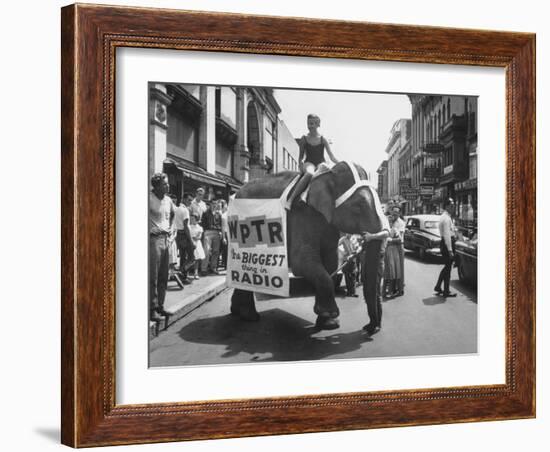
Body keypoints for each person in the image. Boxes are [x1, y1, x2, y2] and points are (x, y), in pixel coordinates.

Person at [286, 113, 339, 207]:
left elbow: (332, 157)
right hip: (309, 162)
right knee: (310, 173)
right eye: (309, 123)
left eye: (313, 123)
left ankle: (305, 194)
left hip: (320, 163)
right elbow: (301, 156)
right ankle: (290, 200)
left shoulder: (323, 139)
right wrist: (300, 165)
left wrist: (341, 163)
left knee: (324, 170)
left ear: (318, 124)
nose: (310, 126)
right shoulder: (304, 139)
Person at [149, 173, 175, 321]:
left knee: (164, 276)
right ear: (156, 186)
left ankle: (160, 306)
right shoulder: (148, 198)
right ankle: (151, 309)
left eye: (167, 183)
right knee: (152, 276)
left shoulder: (169, 200)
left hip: (166, 239)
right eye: (164, 184)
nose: (168, 186)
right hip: (153, 240)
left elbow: (172, 215)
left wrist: (170, 228)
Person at [361, 223, 390, 336]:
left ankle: (377, 323)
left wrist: (371, 236)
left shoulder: (382, 220)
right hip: (368, 261)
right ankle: (372, 321)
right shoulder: (372, 223)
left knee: (375, 293)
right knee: (368, 293)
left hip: (377, 261)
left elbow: (387, 233)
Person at [434, 198, 457, 297]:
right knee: (448, 268)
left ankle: (438, 286)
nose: (453, 208)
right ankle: (446, 291)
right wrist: (450, 250)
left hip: (446, 243)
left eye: (453, 206)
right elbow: (447, 235)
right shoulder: (446, 218)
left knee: (447, 267)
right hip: (447, 243)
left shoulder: (445, 217)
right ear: (447, 206)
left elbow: (450, 232)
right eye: (451, 206)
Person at [384, 206, 406, 297]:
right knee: (392, 270)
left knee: (399, 270)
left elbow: (400, 238)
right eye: (393, 212)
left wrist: (389, 240)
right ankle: (392, 288)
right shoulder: (391, 221)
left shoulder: (401, 223)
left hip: (398, 247)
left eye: (397, 212)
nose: (395, 214)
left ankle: (399, 289)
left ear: (400, 213)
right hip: (391, 248)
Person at [173, 194, 193, 284]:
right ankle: (181, 272)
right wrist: (191, 240)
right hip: (184, 235)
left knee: (182, 257)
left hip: (178, 235)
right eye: (189, 200)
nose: (190, 202)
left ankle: (183, 278)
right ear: (184, 199)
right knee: (192, 258)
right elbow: (186, 226)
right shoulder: (185, 210)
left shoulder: (177, 209)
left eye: (191, 200)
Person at [200, 200, 222, 275]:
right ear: (210, 204)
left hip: (216, 232)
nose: (214, 205)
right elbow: (203, 224)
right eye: (213, 204)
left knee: (216, 251)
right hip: (208, 232)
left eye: (215, 204)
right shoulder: (206, 213)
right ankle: (203, 269)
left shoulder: (218, 214)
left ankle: (213, 267)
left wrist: (218, 229)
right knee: (206, 250)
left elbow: (220, 224)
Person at [188, 213, 205, 279]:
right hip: (190, 243)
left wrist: (195, 237)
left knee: (196, 259)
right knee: (190, 259)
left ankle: (196, 273)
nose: (192, 220)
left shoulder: (200, 227)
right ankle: (187, 273)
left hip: (197, 244)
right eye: (191, 219)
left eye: (193, 219)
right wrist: (191, 238)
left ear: (196, 219)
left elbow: (199, 237)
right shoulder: (189, 226)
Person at [219, 199, 229, 270]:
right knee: (225, 251)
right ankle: (225, 265)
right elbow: (223, 227)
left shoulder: (229, 213)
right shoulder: (223, 215)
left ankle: (226, 264)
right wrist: (224, 237)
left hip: (229, 233)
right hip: (225, 233)